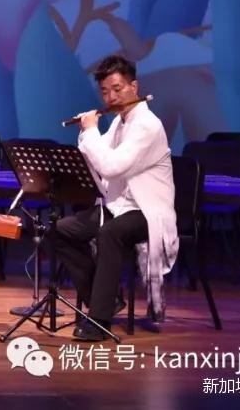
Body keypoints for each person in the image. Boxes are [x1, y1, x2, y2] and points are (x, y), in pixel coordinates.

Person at [53, 55, 178, 341]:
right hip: (117, 206)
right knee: (59, 231)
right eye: (105, 91)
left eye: (117, 89)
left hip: (147, 209)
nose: (111, 97)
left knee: (110, 233)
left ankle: (99, 321)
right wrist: (88, 133)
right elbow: (96, 161)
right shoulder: (119, 123)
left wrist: (90, 131)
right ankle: (105, 298)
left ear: (134, 87)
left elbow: (111, 166)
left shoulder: (147, 125)